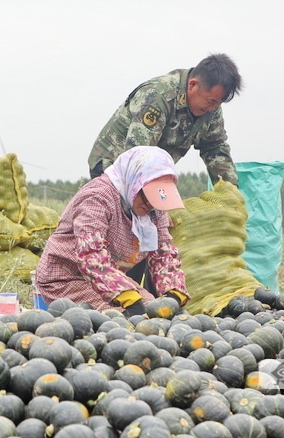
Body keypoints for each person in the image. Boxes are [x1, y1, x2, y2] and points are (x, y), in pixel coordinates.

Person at [34, 146, 191, 315]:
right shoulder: (97, 197)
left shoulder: (155, 207)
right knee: (123, 319)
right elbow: (91, 254)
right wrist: (125, 295)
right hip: (66, 278)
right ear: (134, 181)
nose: (150, 204)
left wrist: (174, 292)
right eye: (146, 195)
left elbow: (163, 253)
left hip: (110, 280)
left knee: (154, 312)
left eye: (155, 197)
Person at [88, 53, 242, 186]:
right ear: (192, 85)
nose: (213, 109)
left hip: (151, 170)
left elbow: (214, 146)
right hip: (113, 165)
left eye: (218, 103)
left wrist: (229, 187)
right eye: (211, 102)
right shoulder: (158, 97)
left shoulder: (211, 108)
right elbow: (138, 155)